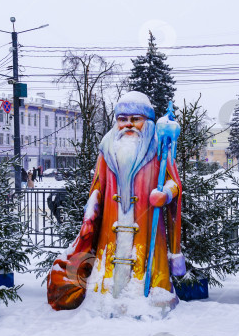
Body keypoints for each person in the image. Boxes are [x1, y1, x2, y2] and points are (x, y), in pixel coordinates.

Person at [47, 91, 185, 318]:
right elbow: (97, 185)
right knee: (107, 276)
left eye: (136, 119)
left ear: (147, 121)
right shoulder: (106, 149)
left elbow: (174, 182)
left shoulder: (160, 147)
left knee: (147, 274)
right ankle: (106, 298)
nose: (128, 124)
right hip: (111, 230)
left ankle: (148, 297)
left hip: (148, 229)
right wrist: (93, 204)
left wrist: (166, 194)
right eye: (123, 119)